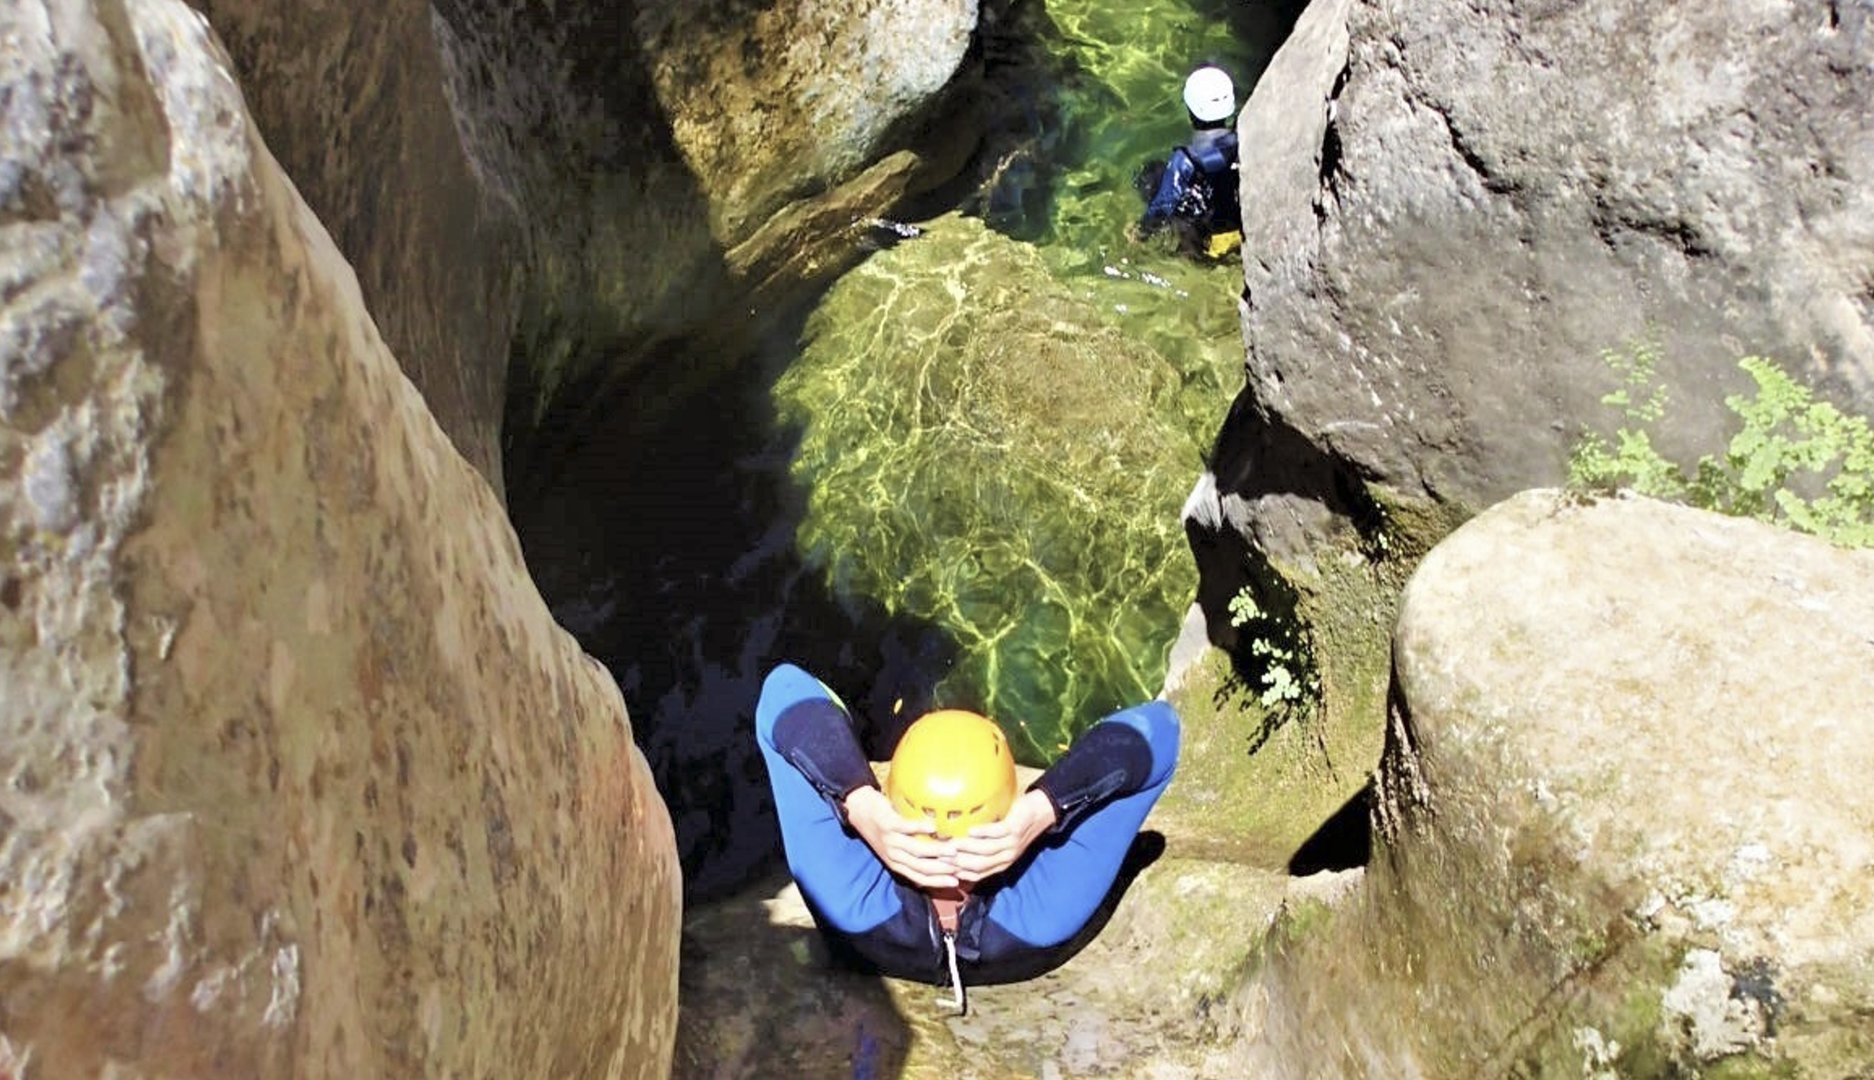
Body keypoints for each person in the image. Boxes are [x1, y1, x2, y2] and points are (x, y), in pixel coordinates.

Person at [754, 663, 1180, 1010]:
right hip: (1013, 950)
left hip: (872, 948)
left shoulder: (852, 897)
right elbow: (1160, 730)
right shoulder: (1042, 911)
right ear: (1005, 810)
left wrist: (859, 802)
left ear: (893, 802)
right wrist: (1041, 810)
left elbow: (783, 689)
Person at [1137, 65, 1243, 259]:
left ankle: (1189, 253)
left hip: (1205, 238)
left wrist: (1141, 231)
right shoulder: (1242, 139)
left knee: (1149, 173)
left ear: (1189, 110)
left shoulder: (1185, 159)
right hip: (1236, 225)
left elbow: (1164, 205)